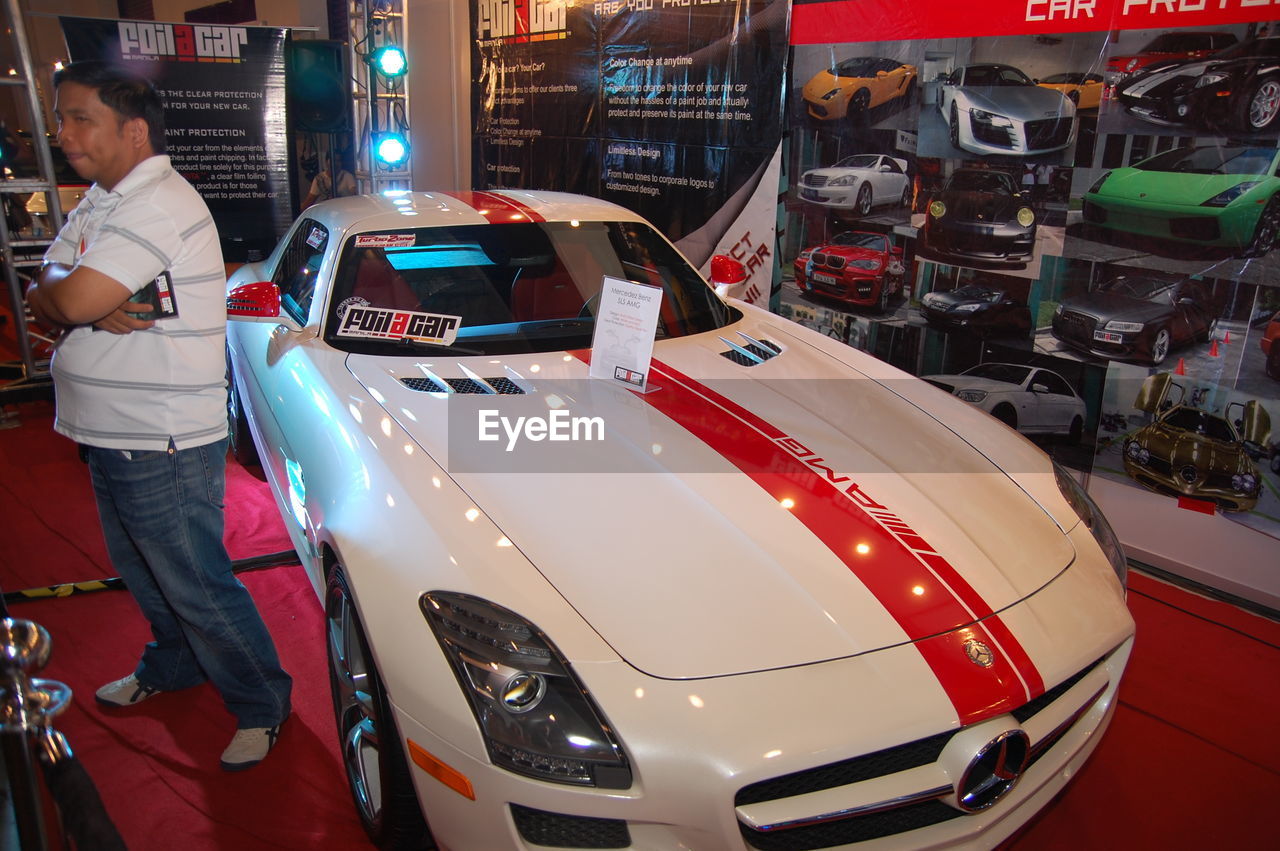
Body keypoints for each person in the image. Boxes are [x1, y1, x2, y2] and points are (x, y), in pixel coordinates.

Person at [24, 61, 292, 771]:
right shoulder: (103, 200)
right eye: (61, 116)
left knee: (195, 579)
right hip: (110, 426)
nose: (63, 131)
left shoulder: (155, 204)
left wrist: (68, 294)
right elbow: (42, 283)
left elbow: (69, 301)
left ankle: (263, 700)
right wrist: (62, 289)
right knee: (144, 569)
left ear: (132, 129)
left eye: (80, 117)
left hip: (160, 434)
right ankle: (174, 663)